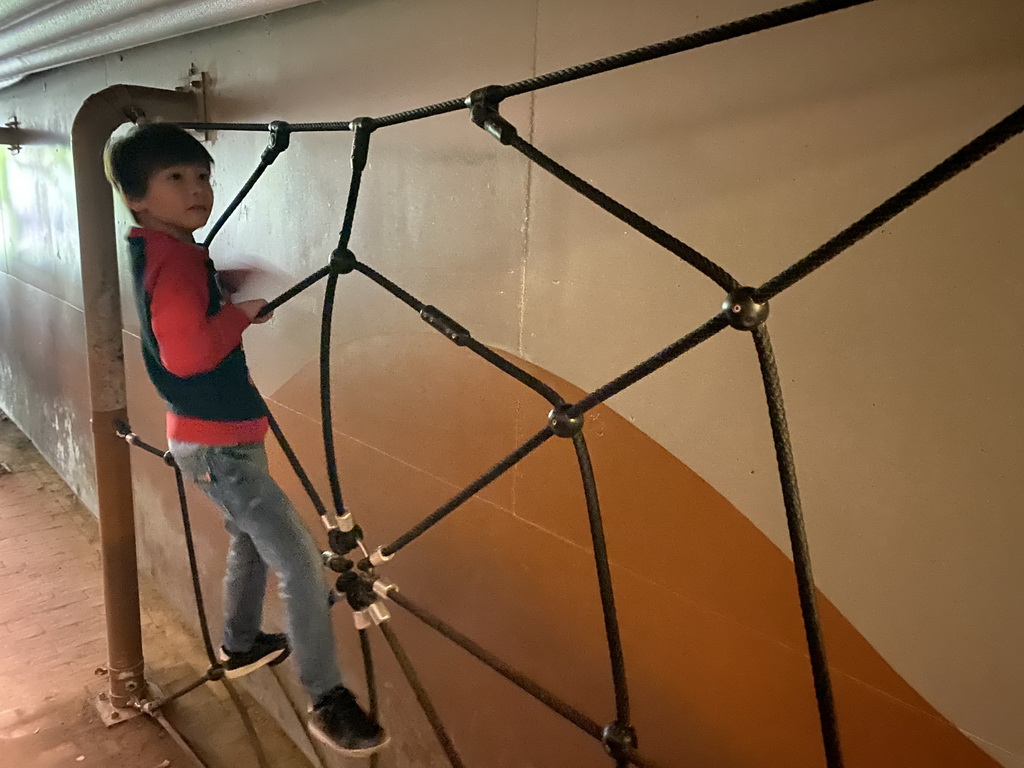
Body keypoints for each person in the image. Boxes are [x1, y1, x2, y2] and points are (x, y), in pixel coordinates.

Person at [104, 122, 388, 758]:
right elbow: (186, 355)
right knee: (303, 566)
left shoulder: (162, 249)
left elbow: (176, 312)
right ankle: (327, 697)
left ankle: (239, 642)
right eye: (175, 178)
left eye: (201, 175)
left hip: (213, 442)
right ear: (137, 197)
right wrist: (238, 311)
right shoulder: (176, 263)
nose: (197, 189)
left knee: (251, 540)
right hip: (221, 449)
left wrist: (225, 287)